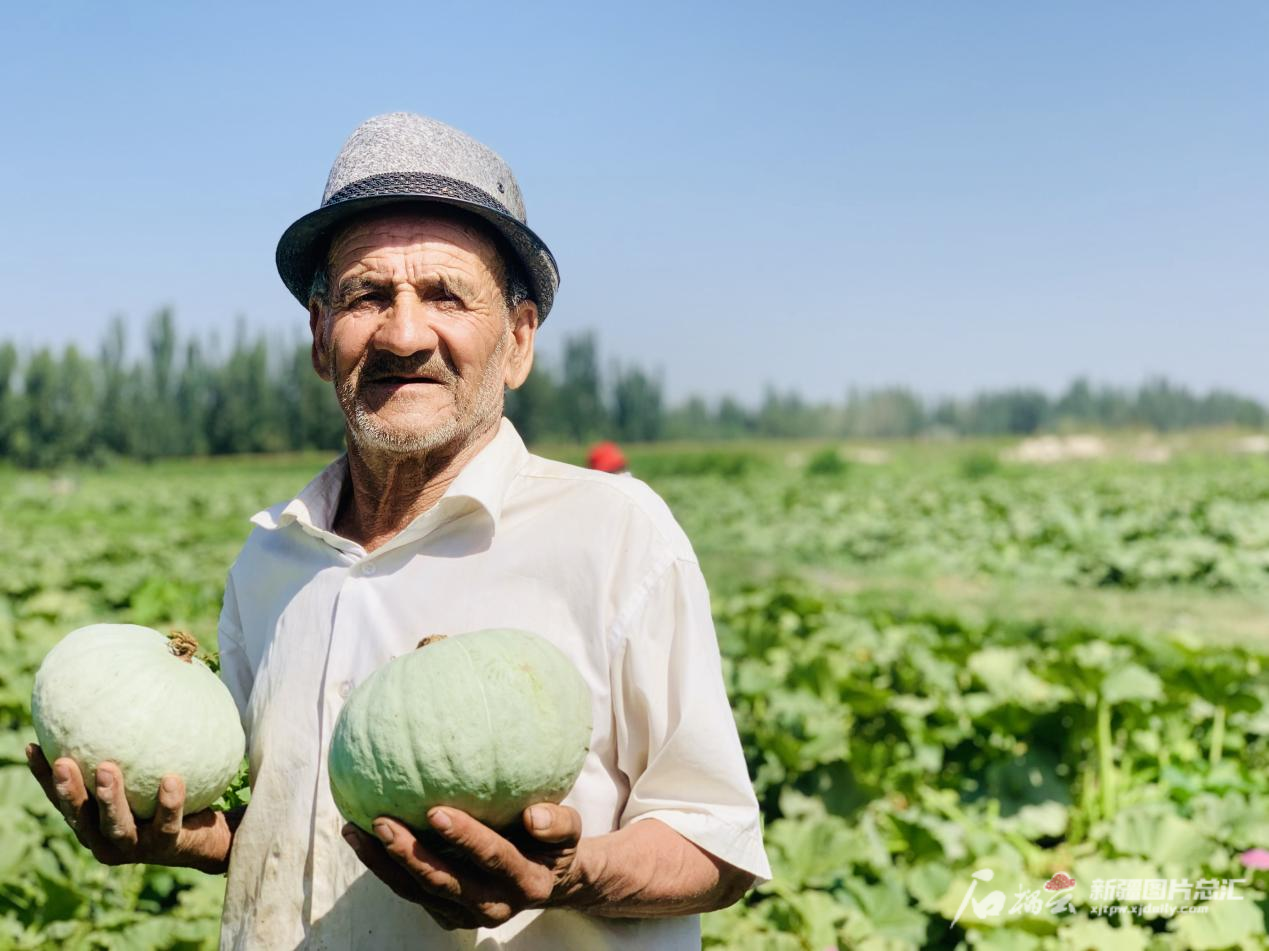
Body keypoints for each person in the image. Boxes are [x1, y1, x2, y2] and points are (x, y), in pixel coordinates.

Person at [26, 112, 769, 949]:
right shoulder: (272, 554)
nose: (403, 333)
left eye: (446, 295)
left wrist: (566, 873)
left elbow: (716, 840)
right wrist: (194, 837)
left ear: (518, 340)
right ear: (319, 337)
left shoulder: (614, 534)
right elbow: (271, 815)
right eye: (366, 295)